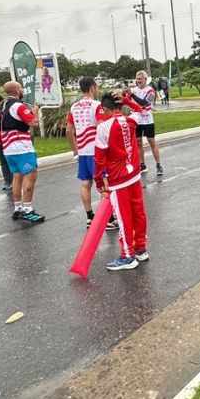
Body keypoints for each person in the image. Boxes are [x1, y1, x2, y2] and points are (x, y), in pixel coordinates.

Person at [95, 91, 148, 270]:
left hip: (119, 180)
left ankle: (128, 256)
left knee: (124, 218)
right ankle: (140, 249)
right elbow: (141, 109)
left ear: (104, 109)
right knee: (138, 213)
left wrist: (100, 184)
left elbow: (99, 159)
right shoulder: (130, 120)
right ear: (119, 106)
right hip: (134, 176)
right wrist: (127, 100)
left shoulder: (103, 128)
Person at [67, 77, 129, 230]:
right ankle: (108, 219)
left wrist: (75, 149)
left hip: (82, 151)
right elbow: (103, 126)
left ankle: (89, 217)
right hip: (96, 150)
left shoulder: (74, 107)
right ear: (93, 88)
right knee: (104, 184)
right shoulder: (96, 106)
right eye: (97, 87)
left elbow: (69, 130)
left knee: (85, 183)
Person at [0, 81, 45, 223]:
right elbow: (33, 123)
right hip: (22, 147)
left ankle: (17, 208)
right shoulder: (18, 106)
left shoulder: (0, 107)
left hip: (8, 148)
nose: (21, 90)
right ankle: (27, 209)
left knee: (16, 176)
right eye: (20, 88)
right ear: (16, 90)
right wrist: (34, 112)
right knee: (31, 175)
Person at [128, 70, 163, 176]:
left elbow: (143, 103)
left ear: (145, 79)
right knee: (138, 141)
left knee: (151, 141)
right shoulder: (132, 90)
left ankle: (158, 165)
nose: (138, 81)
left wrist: (131, 95)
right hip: (137, 120)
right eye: (137, 78)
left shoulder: (151, 91)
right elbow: (127, 101)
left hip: (148, 120)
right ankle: (142, 164)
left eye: (140, 79)